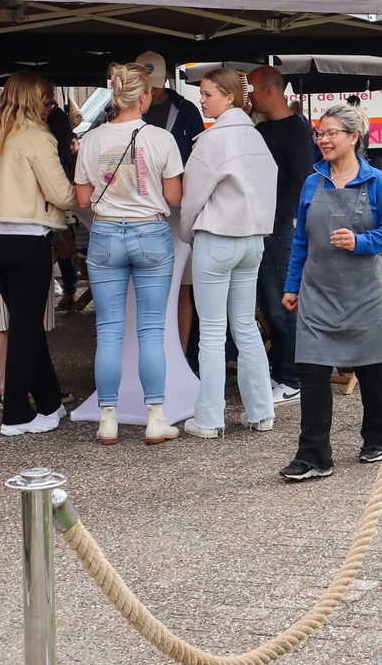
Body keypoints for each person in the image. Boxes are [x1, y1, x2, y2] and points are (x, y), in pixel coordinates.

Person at [279, 103, 382, 481]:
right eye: (320, 133)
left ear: (354, 137)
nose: (324, 139)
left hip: (363, 289)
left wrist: (361, 240)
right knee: (312, 370)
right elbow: (300, 239)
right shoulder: (311, 182)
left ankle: (377, 437)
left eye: (332, 132)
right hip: (317, 289)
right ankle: (314, 455)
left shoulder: (378, 182)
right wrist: (291, 285)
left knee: (369, 366)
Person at [74, 62, 186, 445]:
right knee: (152, 329)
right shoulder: (160, 138)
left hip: (105, 233)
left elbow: (83, 199)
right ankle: (155, 418)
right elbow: (173, 197)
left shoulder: (90, 140)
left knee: (108, 331)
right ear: (145, 96)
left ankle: (108, 419)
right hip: (151, 233)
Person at [0, 71, 76, 437]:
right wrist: (84, 200)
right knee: (26, 329)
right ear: (32, 101)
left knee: (26, 325)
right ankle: (14, 413)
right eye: (47, 102)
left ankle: (49, 402)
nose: (51, 108)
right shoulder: (37, 138)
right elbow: (61, 193)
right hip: (28, 240)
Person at [179, 68, 277, 440]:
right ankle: (261, 411)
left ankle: (209, 418)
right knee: (247, 327)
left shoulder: (211, 141)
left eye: (207, 94)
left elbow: (192, 199)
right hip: (253, 239)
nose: (201, 100)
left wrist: (189, 233)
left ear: (229, 98)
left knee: (213, 333)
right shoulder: (257, 138)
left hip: (217, 237)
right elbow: (271, 187)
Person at [248, 66, 310, 407]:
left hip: (279, 231)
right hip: (262, 229)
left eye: (253, 91)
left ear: (270, 91)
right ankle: (281, 372)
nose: (249, 97)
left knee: (281, 305)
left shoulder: (296, 131)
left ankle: (293, 378)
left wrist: (273, 219)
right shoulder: (259, 128)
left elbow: (300, 181)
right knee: (266, 308)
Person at [119, 50, 206, 161]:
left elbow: (200, 154)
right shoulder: (121, 114)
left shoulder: (187, 111)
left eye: (155, 86)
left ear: (165, 77)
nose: (151, 92)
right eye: (145, 88)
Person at [42, 84, 79, 307]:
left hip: (54, 190)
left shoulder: (57, 119)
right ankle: (67, 289)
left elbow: (62, 156)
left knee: (62, 243)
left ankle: (70, 289)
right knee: (59, 243)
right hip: (49, 192)